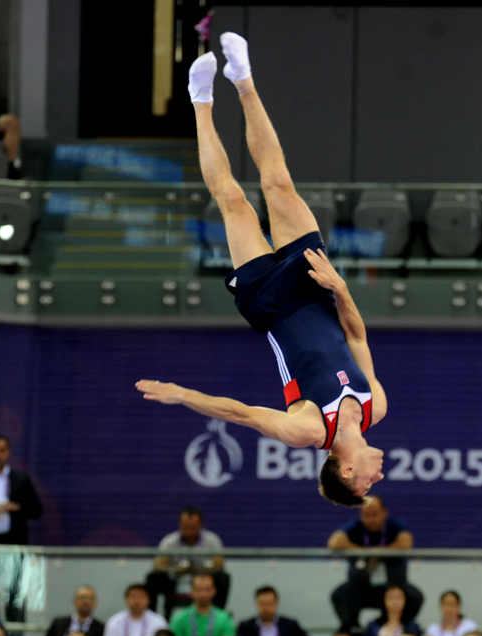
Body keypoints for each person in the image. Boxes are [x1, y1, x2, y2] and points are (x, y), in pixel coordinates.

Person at [136, 32, 388, 508]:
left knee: (231, 200)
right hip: (317, 288)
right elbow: (357, 338)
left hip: (270, 305)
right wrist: (340, 289)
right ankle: (243, 79)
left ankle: (201, 101)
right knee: (277, 180)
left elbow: (243, 415)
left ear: (347, 469)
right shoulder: (376, 407)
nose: (377, 478)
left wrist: (181, 394)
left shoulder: (309, 430)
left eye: (365, 484)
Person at [329, 497, 423, 632]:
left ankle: (398, 628)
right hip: (361, 588)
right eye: (366, 515)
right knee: (339, 596)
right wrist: (364, 552)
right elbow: (334, 542)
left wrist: (379, 553)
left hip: (392, 587)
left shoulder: (395, 525)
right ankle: (353, 629)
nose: (371, 519)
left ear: (385, 513)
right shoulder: (356, 526)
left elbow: (406, 542)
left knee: (415, 597)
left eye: (375, 515)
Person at [146, 508, 230, 617]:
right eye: (186, 527)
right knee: (153, 577)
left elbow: (219, 564)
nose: (189, 530)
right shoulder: (170, 541)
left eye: (193, 527)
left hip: (203, 578)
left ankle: (219, 616)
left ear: (200, 525)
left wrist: (201, 571)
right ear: (180, 524)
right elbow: (157, 564)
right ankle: (151, 616)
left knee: (223, 577)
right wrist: (176, 569)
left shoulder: (212, 540)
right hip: (176, 579)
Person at [103, 584, 168, 636]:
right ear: (126, 599)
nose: (137, 601)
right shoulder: (114, 622)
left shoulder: (159, 622)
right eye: (133, 597)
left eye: (141, 597)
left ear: (148, 600)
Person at [39, 586, 106, 636]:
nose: (86, 602)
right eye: (82, 598)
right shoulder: (59, 623)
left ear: (95, 603)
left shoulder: (100, 628)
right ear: (74, 601)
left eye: (90, 599)